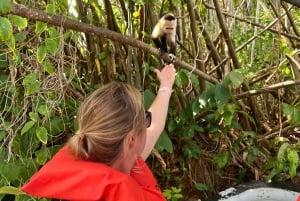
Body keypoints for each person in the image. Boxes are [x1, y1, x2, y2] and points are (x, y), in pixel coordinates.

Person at [21, 64, 176, 201]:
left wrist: (166, 86)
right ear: (131, 140)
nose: (149, 125)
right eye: (145, 119)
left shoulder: (99, 157)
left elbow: (155, 126)